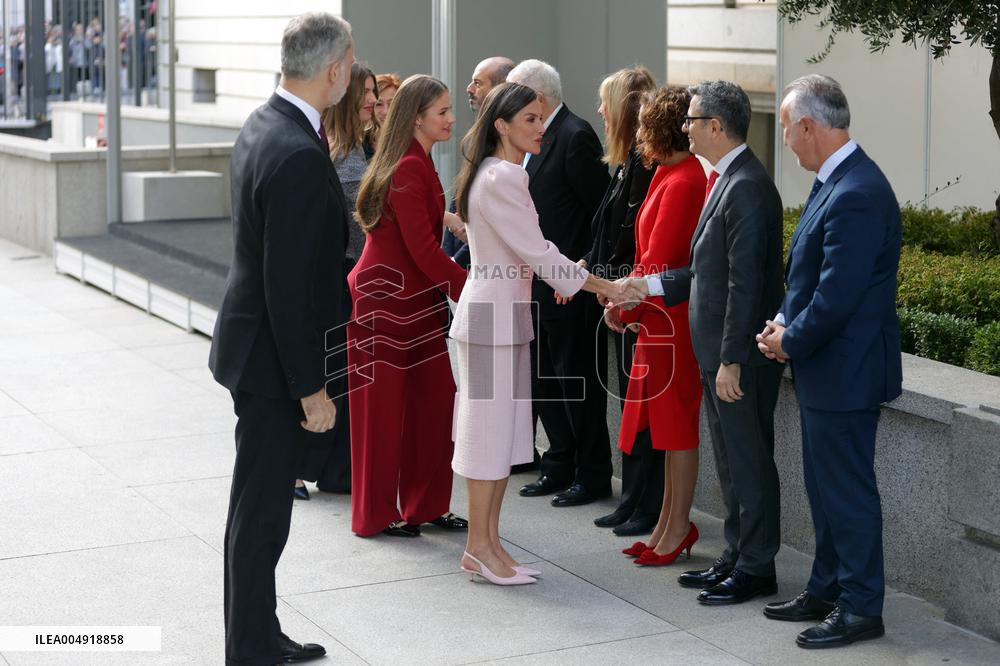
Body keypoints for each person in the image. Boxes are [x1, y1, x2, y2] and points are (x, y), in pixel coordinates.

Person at [208, 13, 353, 665]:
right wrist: (311, 389)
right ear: (336, 68)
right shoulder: (294, 148)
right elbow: (288, 286)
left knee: (258, 510)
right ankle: (251, 648)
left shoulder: (269, 121)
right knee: (263, 515)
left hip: (255, 350)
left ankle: (258, 634)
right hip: (273, 364)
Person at [450, 82, 639, 585]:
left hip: (496, 316)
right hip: (492, 320)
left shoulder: (492, 173)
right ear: (502, 126)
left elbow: (530, 254)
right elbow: (537, 253)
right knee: (487, 437)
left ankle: (486, 544)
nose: (540, 127)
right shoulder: (503, 177)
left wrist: (567, 276)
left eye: (540, 117)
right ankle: (480, 546)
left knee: (495, 436)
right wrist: (605, 285)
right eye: (530, 120)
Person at [616, 80, 785, 604]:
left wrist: (732, 359)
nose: (684, 128)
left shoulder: (747, 185)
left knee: (748, 462)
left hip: (734, 358)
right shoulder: (724, 179)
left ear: (715, 126)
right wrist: (647, 286)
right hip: (714, 353)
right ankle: (736, 555)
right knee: (732, 462)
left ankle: (756, 567)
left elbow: (744, 285)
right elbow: (701, 274)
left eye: (691, 120)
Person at [757, 74, 901, 650]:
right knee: (824, 489)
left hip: (847, 373)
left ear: (809, 127)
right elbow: (807, 276)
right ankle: (826, 588)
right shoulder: (835, 180)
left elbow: (838, 295)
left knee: (847, 493)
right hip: (828, 369)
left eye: (787, 129)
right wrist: (782, 323)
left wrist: (789, 340)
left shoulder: (858, 190)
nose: (786, 140)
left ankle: (862, 606)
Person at [349, 74, 469, 538]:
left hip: (411, 308)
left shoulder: (414, 160)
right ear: (416, 118)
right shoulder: (407, 166)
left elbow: (422, 247)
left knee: (436, 401)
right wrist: (471, 290)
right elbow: (423, 250)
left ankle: (425, 506)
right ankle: (375, 517)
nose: (452, 119)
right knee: (379, 417)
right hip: (385, 307)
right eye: (442, 111)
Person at [506, 59, 613, 507]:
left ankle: (591, 476)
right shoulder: (533, 135)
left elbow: (598, 212)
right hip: (538, 282)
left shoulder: (575, 134)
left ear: (539, 98)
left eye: (516, 94)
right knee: (545, 378)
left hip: (569, 286)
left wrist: (580, 269)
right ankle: (559, 464)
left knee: (576, 381)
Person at [607, 86, 705, 566]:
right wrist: (624, 301)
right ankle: (668, 525)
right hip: (658, 317)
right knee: (665, 431)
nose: (637, 137)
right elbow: (648, 258)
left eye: (644, 127)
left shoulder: (684, 179)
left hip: (673, 322)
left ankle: (677, 527)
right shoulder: (670, 173)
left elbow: (662, 260)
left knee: (676, 429)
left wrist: (623, 305)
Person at [583, 66, 661, 537]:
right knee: (630, 408)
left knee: (642, 410)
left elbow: (634, 242)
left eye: (604, 101)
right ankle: (632, 499)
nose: (599, 111)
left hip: (636, 302)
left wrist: (616, 290)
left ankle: (642, 503)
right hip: (620, 297)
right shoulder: (627, 161)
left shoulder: (645, 164)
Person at [295, 62, 377, 501]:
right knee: (324, 370)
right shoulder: (323, 146)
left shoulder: (367, 144)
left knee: (345, 376)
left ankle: (335, 468)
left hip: (360, 276)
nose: (371, 100)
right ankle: (296, 464)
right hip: (332, 274)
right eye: (364, 92)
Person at [443, 56, 516, 269]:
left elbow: (498, 220)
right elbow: (460, 197)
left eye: (477, 83)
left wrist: (457, 261)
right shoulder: (480, 133)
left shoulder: (509, 140)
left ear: (500, 88)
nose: (469, 88)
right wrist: (449, 255)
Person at [322, 61, 378, 262]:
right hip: (352, 270)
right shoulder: (344, 155)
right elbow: (360, 236)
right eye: (364, 92)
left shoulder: (351, 146)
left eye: (373, 91)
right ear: (344, 95)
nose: (373, 99)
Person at [367, 72, 401, 155]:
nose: (385, 111)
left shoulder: (411, 143)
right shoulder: (358, 144)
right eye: (379, 104)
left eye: (391, 104)